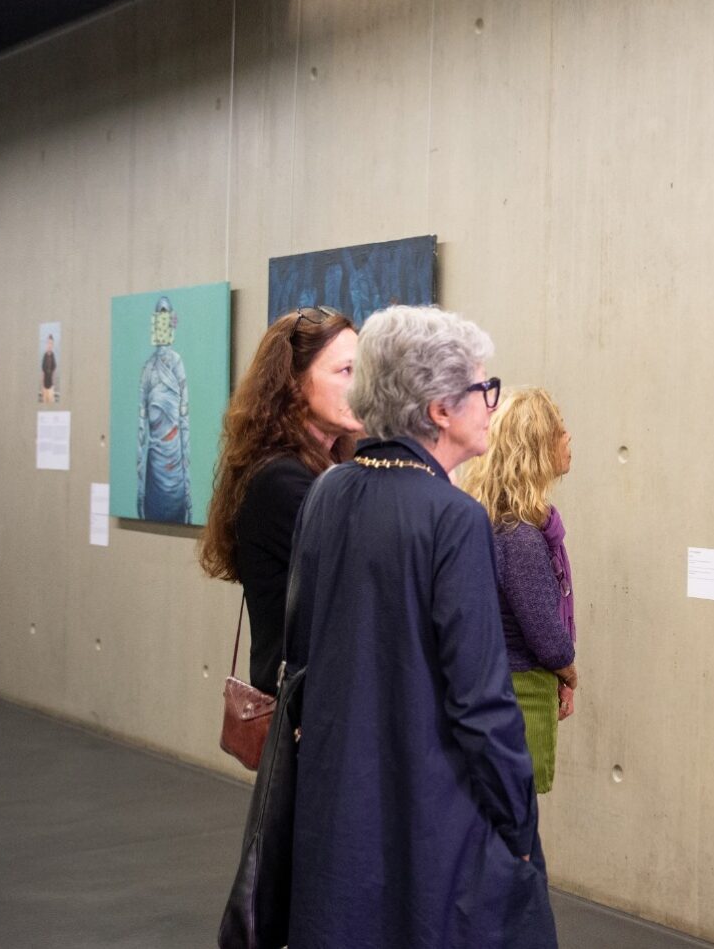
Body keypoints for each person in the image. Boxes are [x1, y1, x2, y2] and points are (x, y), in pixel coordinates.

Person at [285, 305, 557, 949]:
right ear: (440, 409)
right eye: (483, 389)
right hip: (433, 808)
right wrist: (519, 823)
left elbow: (303, 650)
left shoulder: (326, 493)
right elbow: (481, 701)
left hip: (342, 801)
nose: (493, 404)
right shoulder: (453, 517)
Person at [198, 305, 362, 694]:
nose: (363, 386)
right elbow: (368, 570)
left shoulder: (323, 467)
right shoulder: (281, 480)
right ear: (293, 382)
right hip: (304, 716)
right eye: (346, 371)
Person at [460, 388, 579, 795]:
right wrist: (569, 670)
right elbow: (544, 631)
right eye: (561, 432)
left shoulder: (495, 522)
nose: (569, 440)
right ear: (538, 447)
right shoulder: (521, 537)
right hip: (520, 694)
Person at [137, 296, 191, 523]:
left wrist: (187, 489)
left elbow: (185, 422)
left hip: (176, 468)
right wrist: (140, 490)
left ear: (172, 322)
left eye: (165, 315)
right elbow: (141, 431)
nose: (162, 320)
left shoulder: (178, 365)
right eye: (159, 316)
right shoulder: (148, 369)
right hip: (154, 471)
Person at [40, 333, 57, 403]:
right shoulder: (44, 356)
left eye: (51, 343)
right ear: (46, 344)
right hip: (44, 386)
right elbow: (43, 372)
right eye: (48, 343)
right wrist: (42, 386)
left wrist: (53, 386)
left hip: (51, 387)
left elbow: (54, 370)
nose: (49, 345)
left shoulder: (53, 356)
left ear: (52, 345)